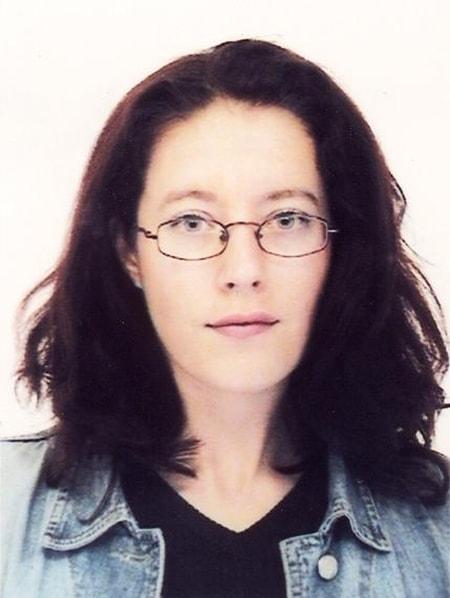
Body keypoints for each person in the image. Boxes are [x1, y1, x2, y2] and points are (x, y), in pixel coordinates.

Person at [1, 39, 449, 598]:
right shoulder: (9, 511)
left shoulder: (438, 533)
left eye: (288, 219)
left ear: (339, 247)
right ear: (129, 252)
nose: (243, 270)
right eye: (191, 222)